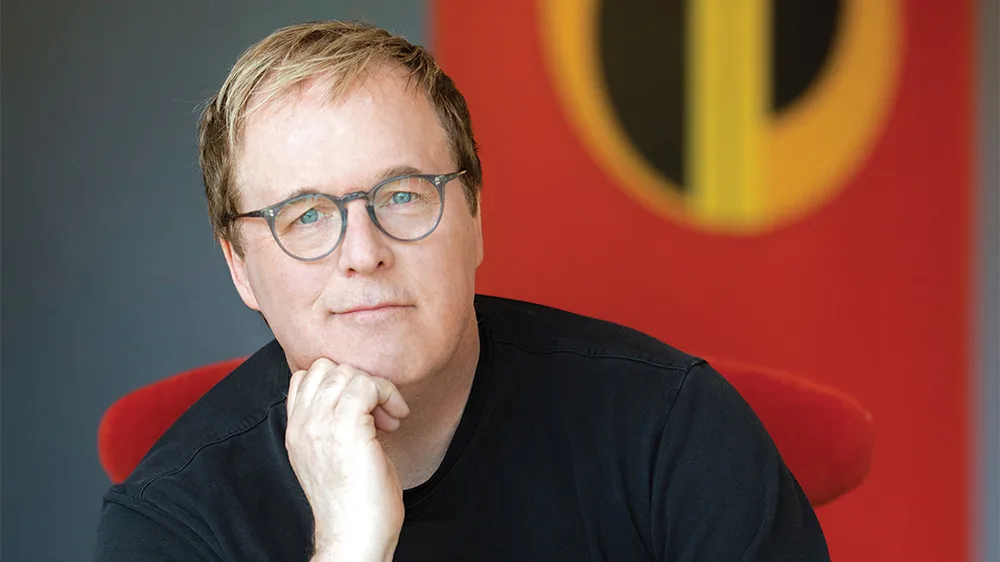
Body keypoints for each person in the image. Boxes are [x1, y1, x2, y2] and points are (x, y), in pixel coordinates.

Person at [94, 20, 830, 561]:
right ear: (240, 267)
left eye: (403, 196)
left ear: (475, 216)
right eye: (306, 215)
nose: (364, 254)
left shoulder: (671, 426)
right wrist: (349, 546)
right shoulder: (171, 522)